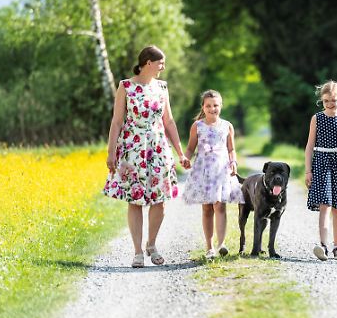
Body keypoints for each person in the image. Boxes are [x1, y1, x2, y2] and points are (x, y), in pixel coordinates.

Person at [104, 45, 190, 268]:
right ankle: (137, 252)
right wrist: (111, 152)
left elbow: (169, 121)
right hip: (132, 148)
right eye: (160, 63)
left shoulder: (162, 87)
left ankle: (152, 244)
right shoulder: (126, 86)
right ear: (148, 63)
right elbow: (116, 121)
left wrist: (180, 152)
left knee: (159, 201)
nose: (163, 67)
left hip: (158, 147)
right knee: (135, 200)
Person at [181, 90, 244, 259]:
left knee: (220, 205)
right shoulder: (197, 126)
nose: (212, 109)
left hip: (221, 169)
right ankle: (209, 248)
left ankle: (221, 244)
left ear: (221, 106)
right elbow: (190, 148)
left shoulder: (227, 126)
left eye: (215, 105)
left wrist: (233, 162)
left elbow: (231, 149)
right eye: (208, 105)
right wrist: (186, 158)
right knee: (207, 208)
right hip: (203, 170)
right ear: (203, 107)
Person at [304, 80, 337, 261]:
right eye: (326, 101)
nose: (330, 104)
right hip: (321, 163)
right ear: (322, 101)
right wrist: (308, 170)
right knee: (325, 205)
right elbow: (310, 146)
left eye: (333, 100)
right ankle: (324, 246)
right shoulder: (317, 118)